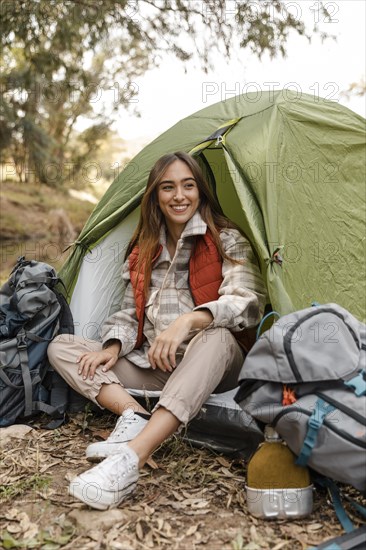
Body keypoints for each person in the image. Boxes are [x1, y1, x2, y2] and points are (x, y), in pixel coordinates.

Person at [48, 151, 267, 510]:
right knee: (63, 347)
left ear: (201, 191)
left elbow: (247, 303)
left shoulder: (227, 239)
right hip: (156, 368)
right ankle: (134, 415)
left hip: (214, 366)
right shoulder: (142, 250)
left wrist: (189, 321)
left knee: (218, 336)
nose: (178, 195)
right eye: (168, 187)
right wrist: (114, 346)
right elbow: (126, 312)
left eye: (188, 185)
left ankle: (131, 458)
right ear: (155, 195)